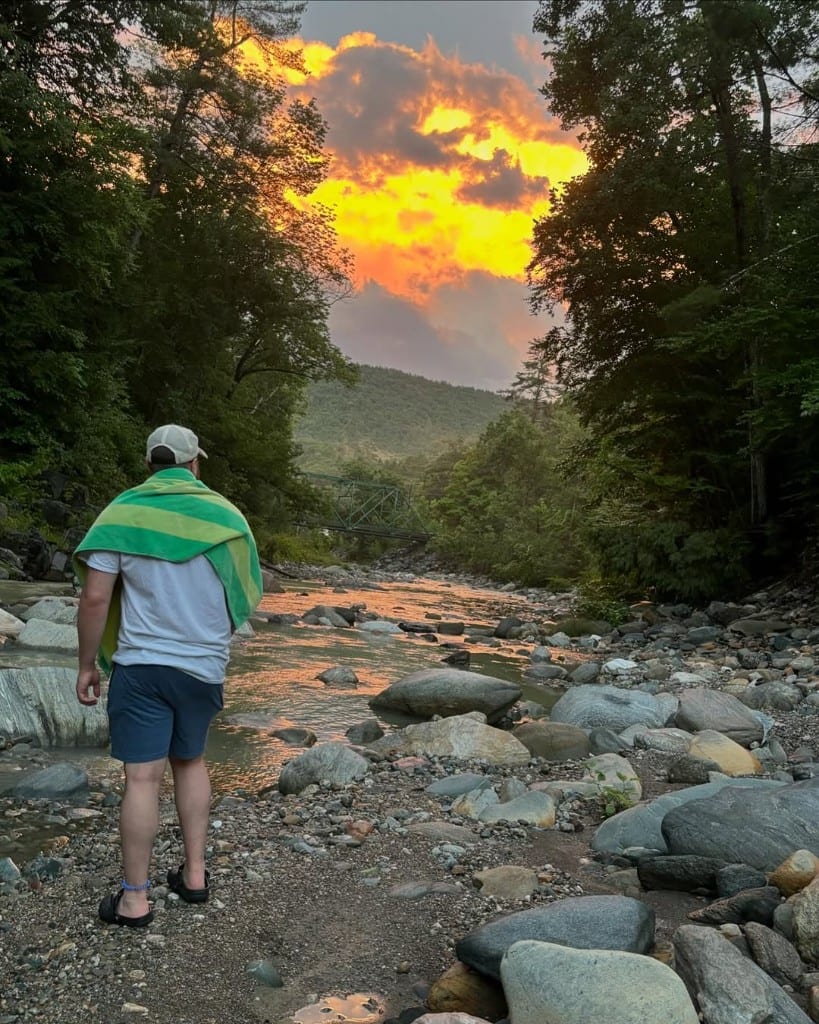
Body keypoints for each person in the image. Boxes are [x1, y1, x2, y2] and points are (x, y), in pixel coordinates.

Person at [73, 424, 262, 927]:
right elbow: (244, 594)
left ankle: (135, 899)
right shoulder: (226, 517)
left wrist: (87, 664)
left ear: (151, 465)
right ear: (194, 463)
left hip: (141, 666)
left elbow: (94, 598)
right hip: (202, 668)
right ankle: (195, 875)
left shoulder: (123, 512)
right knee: (191, 761)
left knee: (141, 778)